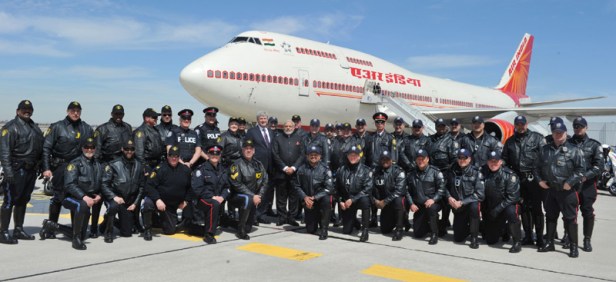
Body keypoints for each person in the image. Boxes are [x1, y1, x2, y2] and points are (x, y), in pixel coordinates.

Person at [40, 101, 93, 239]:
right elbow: (46, 148)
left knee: (76, 197)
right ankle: (50, 227)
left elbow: (92, 149)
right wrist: (46, 168)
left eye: (78, 111)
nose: (75, 113)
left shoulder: (86, 128)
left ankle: (74, 228)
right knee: (58, 197)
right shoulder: (57, 127)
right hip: (60, 168)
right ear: (67, 111)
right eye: (72, 110)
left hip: (78, 169)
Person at [536, 121, 585, 258]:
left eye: (561, 132)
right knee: (550, 217)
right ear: (552, 133)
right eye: (555, 132)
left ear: (565, 133)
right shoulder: (545, 150)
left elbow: (581, 170)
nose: (558, 135)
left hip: (567, 191)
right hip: (550, 190)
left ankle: (573, 247)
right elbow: (536, 168)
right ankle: (549, 243)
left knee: (570, 218)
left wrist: (570, 182)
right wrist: (540, 181)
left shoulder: (574, 150)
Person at [0, 100, 44, 244]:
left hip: (31, 171)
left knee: (23, 200)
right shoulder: (10, 128)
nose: (27, 111)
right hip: (16, 170)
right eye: (24, 109)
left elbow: (40, 149)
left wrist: (41, 167)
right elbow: (5, 152)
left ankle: (18, 229)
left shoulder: (35, 128)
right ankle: (3, 232)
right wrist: (8, 172)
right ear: (17, 111)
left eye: (29, 109)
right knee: (9, 201)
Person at [48, 138, 103, 250]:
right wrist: (84, 197)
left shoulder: (98, 164)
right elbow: (70, 185)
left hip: (88, 199)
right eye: (86, 147)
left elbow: (102, 183)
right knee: (81, 205)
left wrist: (100, 195)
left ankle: (53, 226)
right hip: (71, 198)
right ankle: (75, 240)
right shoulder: (74, 164)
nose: (89, 150)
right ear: (82, 148)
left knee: (84, 234)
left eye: (92, 147)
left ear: (95, 149)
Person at [501, 115, 546, 247]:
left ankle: (540, 238)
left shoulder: (537, 138)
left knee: (537, 209)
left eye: (523, 124)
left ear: (527, 124)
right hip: (518, 179)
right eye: (518, 124)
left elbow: (544, 159)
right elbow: (505, 159)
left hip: (534, 179)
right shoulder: (510, 142)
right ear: (515, 125)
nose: (520, 126)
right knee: (524, 208)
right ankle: (527, 236)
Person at [567, 117, 603, 253]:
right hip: (571, 184)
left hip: (587, 185)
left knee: (587, 211)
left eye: (581, 126)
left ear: (586, 127)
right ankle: (569, 237)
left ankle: (587, 239)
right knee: (570, 212)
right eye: (576, 126)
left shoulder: (594, 145)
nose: (578, 128)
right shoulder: (567, 143)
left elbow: (599, 166)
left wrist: (584, 176)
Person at [141, 146, 192, 240]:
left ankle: (158, 220)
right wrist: (157, 199)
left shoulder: (185, 170)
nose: (174, 158)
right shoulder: (160, 169)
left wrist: (186, 201)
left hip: (172, 205)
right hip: (160, 201)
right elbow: (149, 186)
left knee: (170, 231)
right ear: (167, 156)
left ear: (179, 157)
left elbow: (190, 188)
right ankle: (147, 229)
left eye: (176, 156)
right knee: (148, 203)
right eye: (171, 155)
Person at [100, 139, 145, 243]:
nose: (129, 151)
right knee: (113, 206)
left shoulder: (139, 165)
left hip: (129, 201)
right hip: (116, 198)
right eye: (126, 149)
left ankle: (108, 220)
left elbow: (141, 187)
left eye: (131, 149)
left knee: (127, 233)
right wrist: (114, 197)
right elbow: (104, 184)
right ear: (122, 149)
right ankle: (109, 232)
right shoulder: (113, 164)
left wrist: (135, 203)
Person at [228, 139, 269, 240]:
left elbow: (265, 180)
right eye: (246, 148)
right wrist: (252, 195)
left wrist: (259, 195)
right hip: (237, 196)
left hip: (254, 197)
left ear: (254, 151)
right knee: (247, 199)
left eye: (251, 149)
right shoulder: (236, 164)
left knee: (249, 228)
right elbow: (236, 184)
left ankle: (229, 222)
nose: (248, 150)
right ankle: (240, 231)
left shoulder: (258, 164)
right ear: (242, 150)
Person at [482, 151, 522, 253]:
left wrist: (498, 209)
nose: (493, 164)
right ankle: (503, 229)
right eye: (491, 161)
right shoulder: (483, 172)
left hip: (506, 206)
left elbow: (513, 197)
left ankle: (517, 242)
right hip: (491, 207)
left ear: (500, 162)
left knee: (511, 212)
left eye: (496, 161)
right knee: (491, 241)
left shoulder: (509, 175)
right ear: (487, 162)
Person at [445, 148, 485, 249]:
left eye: (464, 158)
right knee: (458, 238)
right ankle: (473, 226)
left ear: (469, 159)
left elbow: (480, 194)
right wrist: (449, 197)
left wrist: (462, 202)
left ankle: (474, 237)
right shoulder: (452, 171)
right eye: (459, 158)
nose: (462, 160)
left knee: (475, 206)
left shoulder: (476, 173)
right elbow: (444, 187)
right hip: (458, 208)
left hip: (469, 205)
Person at [293, 145, 334, 240]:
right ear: (307, 156)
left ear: (320, 156)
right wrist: (305, 197)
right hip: (308, 201)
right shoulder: (301, 169)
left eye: (316, 155)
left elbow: (329, 188)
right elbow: (297, 186)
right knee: (310, 230)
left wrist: (314, 197)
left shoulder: (325, 169)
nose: (313, 157)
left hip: (320, 199)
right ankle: (316, 218)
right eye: (311, 155)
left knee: (327, 200)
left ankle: (324, 229)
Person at [191, 145, 230, 244]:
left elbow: (227, 187)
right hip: (201, 200)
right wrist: (212, 197)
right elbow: (197, 189)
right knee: (214, 204)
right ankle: (209, 234)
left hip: (217, 198)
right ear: (208, 155)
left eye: (217, 154)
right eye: (212, 154)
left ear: (220, 155)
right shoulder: (201, 169)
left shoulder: (223, 169)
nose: (214, 156)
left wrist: (222, 197)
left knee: (215, 203)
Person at [335, 145, 372, 242]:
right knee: (346, 231)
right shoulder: (341, 170)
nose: (352, 157)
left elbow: (367, 188)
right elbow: (336, 189)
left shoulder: (366, 170)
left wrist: (353, 199)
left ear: (359, 156)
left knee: (365, 200)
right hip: (346, 202)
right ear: (347, 156)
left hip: (358, 199)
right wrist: (340, 201)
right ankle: (354, 221)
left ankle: (365, 230)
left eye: (355, 155)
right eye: (350, 155)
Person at [408, 149, 445, 245]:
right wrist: (411, 204)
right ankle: (432, 224)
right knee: (417, 234)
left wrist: (433, 199)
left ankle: (434, 233)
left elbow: (442, 189)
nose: (420, 161)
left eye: (422, 159)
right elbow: (407, 191)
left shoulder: (435, 172)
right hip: (419, 205)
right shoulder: (411, 174)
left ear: (427, 159)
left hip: (433, 203)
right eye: (418, 159)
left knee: (432, 209)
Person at [428, 118, 458, 236]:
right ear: (435, 127)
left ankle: (444, 222)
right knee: (433, 200)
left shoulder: (451, 141)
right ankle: (433, 221)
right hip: (432, 175)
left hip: (446, 174)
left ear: (446, 127)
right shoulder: (430, 140)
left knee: (446, 202)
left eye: (442, 126)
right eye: (438, 126)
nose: (440, 128)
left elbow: (455, 161)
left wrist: (448, 175)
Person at [272, 120, 305, 226]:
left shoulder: (299, 139)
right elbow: (275, 154)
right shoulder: (278, 138)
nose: (288, 127)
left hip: (294, 173)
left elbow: (302, 155)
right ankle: (281, 217)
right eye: (286, 126)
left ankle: (291, 218)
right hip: (281, 173)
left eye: (290, 126)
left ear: (294, 127)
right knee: (281, 197)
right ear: (283, 127)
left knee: (293, 197)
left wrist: (294, 168)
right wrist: (285, 167)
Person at [245, 111, 275, 223]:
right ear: (258, 120)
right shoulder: (252, 132)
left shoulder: (271, 132)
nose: (263, 120)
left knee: (266, 191)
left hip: (270, 166)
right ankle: (253, 216)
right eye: (261, 118)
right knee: (256, 190)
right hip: (257, 165)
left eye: (265, 118)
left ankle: (261, 214)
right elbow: (248, 148)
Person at [372, 151, 407, 241]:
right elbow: (369, 189)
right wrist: (375, 200)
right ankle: (393, 221)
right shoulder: (376, 171)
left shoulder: (398, 171)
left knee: (399, 200)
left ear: (391, 160)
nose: (385, 161)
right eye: (382, 159)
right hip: (384, 204)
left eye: (387, 159)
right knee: (385, 230)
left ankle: (399, 228)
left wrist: (385, 201)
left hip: (393, 201)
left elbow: (399, 191)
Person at [134, 108, 164, 173]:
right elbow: (139, 153)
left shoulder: (155, 130)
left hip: (157, 164)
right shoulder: (141, 131)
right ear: (147, 118)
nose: (157, 119)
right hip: (147, 165)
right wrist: (144, 166)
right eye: (154, 117)